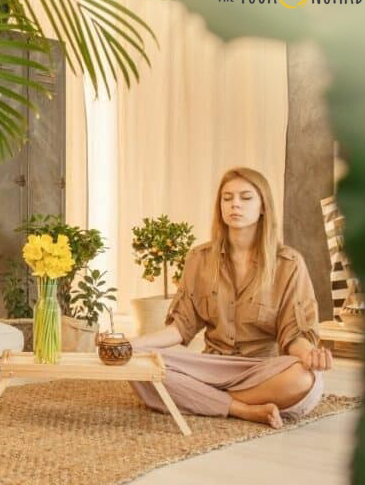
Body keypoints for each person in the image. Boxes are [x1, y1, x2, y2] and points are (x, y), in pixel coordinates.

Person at [129, 167, 333, 429]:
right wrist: (132, 345)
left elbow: (294, 335)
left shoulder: (289, 264)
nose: (235, 204)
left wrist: (310, 355)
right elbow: (180, 328)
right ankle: (242, 409)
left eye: (246, 198)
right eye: (227, 198)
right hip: (210, 367)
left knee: (304, 380)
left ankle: (201, 399)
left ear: (262, 207)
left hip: (260, 371)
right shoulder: (199, 258)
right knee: (138, 363)